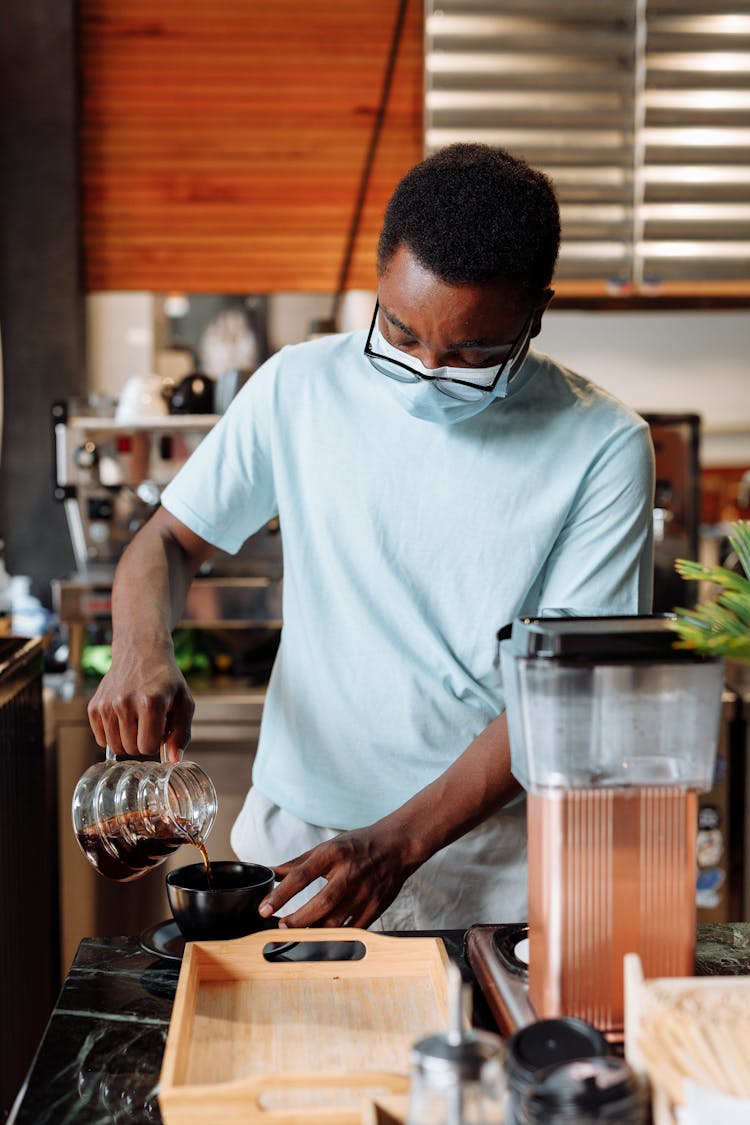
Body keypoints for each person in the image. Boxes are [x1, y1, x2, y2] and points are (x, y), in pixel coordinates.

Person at [87, 144, 654, 931]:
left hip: (481, 870)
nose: (426, 369)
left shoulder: (603, 445)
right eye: (399, 331)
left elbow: (562, 692)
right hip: (293, 842)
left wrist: (399, 843)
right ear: (380, 278)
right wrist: (140, 646)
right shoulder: (298, 386)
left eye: (469, 354)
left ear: (536, 313)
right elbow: (169, 541)